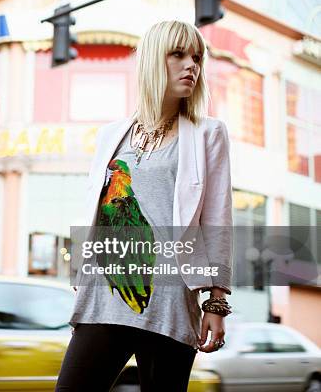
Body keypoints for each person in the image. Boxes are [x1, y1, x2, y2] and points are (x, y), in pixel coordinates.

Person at [56, 20, 233, 392]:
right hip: (103, 294)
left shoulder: (207, 133)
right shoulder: (110, 135)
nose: (192, 66)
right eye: (178, 54)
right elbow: (97, 208)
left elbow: (217, 218)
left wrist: (215, 303)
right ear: (153, 60)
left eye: (197, 58)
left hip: (170, 300)